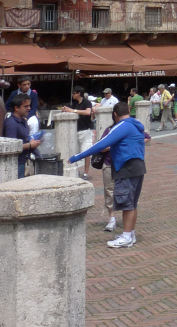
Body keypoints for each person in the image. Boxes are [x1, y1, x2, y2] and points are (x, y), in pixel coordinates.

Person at [69, 102, 149, 249]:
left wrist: (77, 156)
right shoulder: (136, 124)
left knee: (126, 204)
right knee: (132, 204)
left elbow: (100, 145)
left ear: (115, 114)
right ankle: (130, 234)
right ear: (128, 111)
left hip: (126, 167)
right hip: (138, 166)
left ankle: (126, 236)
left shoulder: (122, 126)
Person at [3, 94, 41, 178]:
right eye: (26, 106)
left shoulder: (23, 121)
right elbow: (11, 146)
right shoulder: (11, 123)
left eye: (29, 106)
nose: (29, 108)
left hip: (22, 161)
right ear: (16, 108)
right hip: (15, 164)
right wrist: (30, 145)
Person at [61, 87, 94, 179]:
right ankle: (74, 169)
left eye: (74, 93)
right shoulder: (74, 104)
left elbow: (88, 112)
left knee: (86, 151)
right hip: (75, 130)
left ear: (79, 93)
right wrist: (66, 109)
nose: (73, 95)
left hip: (85, 130)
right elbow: (70, 110)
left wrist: (73, 111)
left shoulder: (87, 102)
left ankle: (86, 173)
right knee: (75, 151)